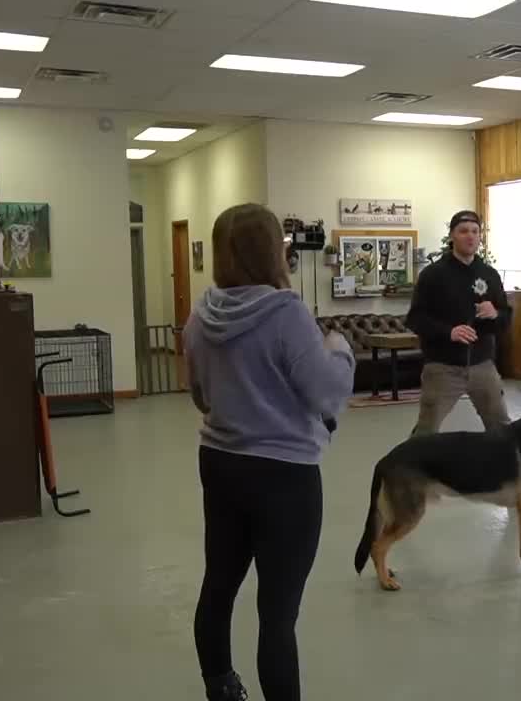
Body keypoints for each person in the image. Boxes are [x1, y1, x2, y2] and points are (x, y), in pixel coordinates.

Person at [183, 203, 355, 701]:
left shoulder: (201, 313)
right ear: (273, 251)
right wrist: (340, 349)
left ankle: (221, 687)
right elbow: (326, 393)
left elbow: (199, 395)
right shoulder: (287, 313)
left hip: (220, 463)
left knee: (219, 585)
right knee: (277, 613)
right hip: (286, 475)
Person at [406, 209, 512, 436]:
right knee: (426, 431)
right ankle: (410, 469)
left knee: (502, 429)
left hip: (482, 366)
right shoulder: (433, 275)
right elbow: (415, 318)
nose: (470, 236)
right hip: (443, 367)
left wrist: (495, 313)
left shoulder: (489, 274)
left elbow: (506, 317)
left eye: (475, 231)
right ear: (452, 235)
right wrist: (448, 332)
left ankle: (508, 470)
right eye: (463, 231)